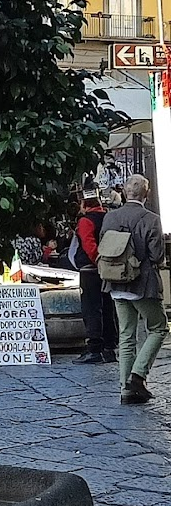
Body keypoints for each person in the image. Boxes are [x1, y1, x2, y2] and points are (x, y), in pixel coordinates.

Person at [100, 173, 168, 403]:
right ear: (146, 194)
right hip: (142, 283)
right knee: (159, 327)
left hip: (115, 282)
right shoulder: (151, 219)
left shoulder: (110, 217)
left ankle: (125, 390)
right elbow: (157, 255)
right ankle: (138, 375)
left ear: (125, 192)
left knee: (126, 335)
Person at [71, 183, 118, 366]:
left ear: (84, 203)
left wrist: (97, 261)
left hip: (90, 270)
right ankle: (109, 347)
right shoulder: (107, 217)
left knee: (91, 308)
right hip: (107, 269)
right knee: (107, 306)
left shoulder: (85, 221)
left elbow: (89, 245)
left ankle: (94, 349)